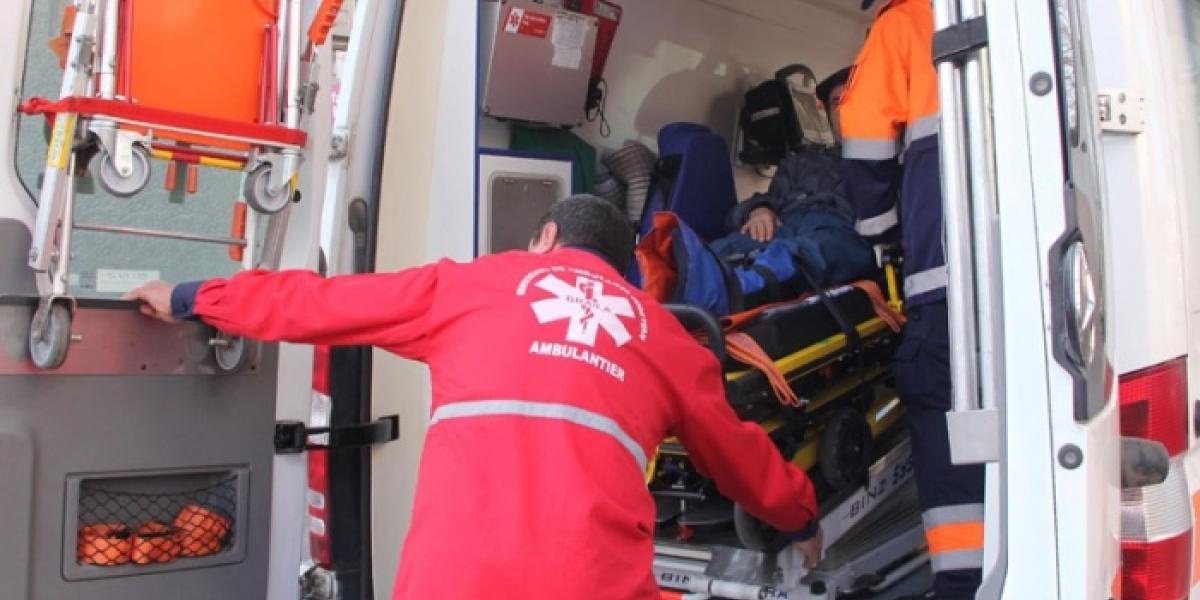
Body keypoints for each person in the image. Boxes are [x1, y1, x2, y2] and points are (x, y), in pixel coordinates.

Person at [124, 195, 823, 599]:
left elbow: (319, 303)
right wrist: (800, 518)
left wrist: (192, 297)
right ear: (626, 269)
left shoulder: (469, 286)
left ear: (546, 238)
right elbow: (738, 455)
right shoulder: (662, 335)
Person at [839, 1, 985, 598]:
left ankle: (966, 584)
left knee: (948, 432)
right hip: (1045, 283)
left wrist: (882, 240)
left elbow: (865, 145)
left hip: (946, 288)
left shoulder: (906, 23)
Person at [730, 66, 853, 244]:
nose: (845, 110)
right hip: (775, 239)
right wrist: (759, 210)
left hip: (829, 245)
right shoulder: (800, 163)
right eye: (837, 103)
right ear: (828, 113)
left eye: (854, 100)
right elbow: (766, 201)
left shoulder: (888, 169)